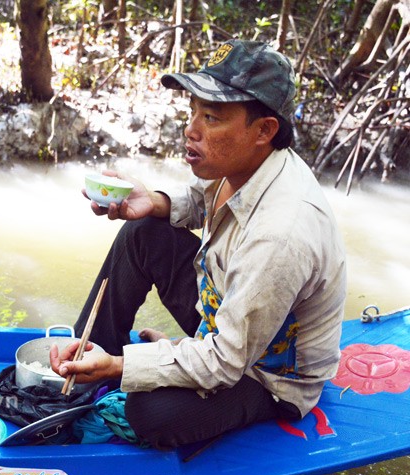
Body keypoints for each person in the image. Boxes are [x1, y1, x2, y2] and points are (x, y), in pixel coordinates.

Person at [50, 39, 347, 450]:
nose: (191, 129)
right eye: (193, 111)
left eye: (211, 116)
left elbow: (227, 360)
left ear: (264, 130)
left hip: (266, 371)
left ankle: (106, 366)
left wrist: (121, 368)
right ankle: (84, 358)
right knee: (143, 233)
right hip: (225, 312)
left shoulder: (283, 232)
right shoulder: (238, 163)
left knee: (150, 414)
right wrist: (152, 202)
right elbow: (200, 200)